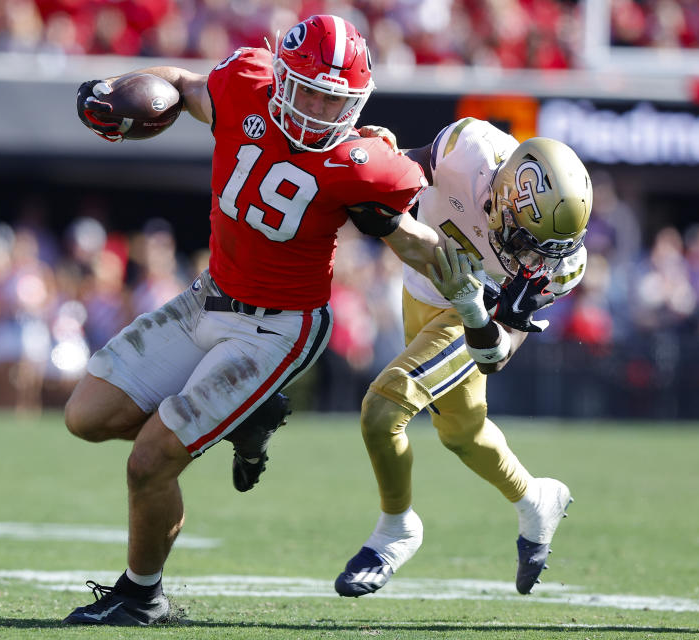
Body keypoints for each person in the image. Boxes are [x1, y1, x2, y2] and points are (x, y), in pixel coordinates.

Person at [62, 14, 440, 626]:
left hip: (280, 328)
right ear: (282, 77)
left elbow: (419, 237)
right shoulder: (245, 81)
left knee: (151, 461)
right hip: (208, 296)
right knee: (86, 416)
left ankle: (141, 595)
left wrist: (480, 290)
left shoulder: (367, 163)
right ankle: (244, 420)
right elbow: (183, 84)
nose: (318, 109)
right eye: (310, 90)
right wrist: (124, 83)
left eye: (334, 98)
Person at [333, 118, 593, 598]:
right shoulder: (468, 150)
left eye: (547, 251)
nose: (534, 262)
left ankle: (395, 529)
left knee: (382, 411)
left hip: (468, 313)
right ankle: (537, 499)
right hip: (418, 287)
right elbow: (409, 167)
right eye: (525, 241)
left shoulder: (560, 265)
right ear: (504, 196)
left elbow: (497, 354)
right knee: (462, 432)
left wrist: (473, 307)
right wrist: (384, 154)